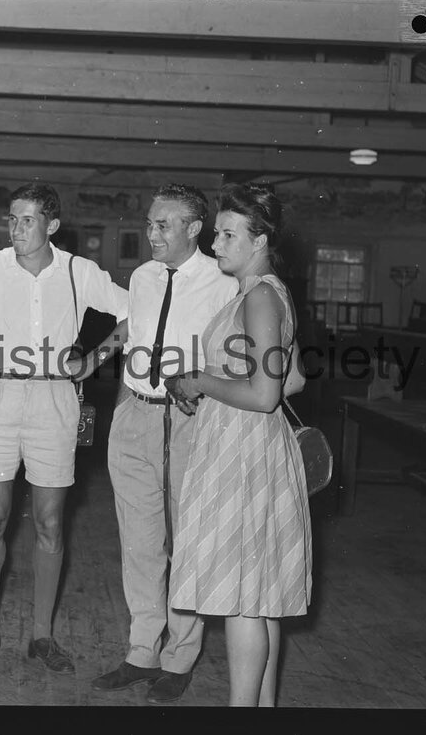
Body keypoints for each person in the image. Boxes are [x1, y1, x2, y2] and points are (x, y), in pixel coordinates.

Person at [0, 183, 128, 675]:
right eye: (12, 219)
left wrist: (93, 361)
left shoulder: (79, 271)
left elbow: (135, 313)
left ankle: (42, 635)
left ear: (51, 225)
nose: (16, 229)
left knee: (50, 522)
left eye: (27, 220)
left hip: (55, 401)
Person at [165, 183, 312, 707]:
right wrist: (216, 380)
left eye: (228, 234)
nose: (216, 243)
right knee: (259, 598)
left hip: (242, 452)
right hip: (249, 447)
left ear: (260, 238)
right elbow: (293, 378)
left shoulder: (259, 296)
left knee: (242, 601)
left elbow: (266, 393)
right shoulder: (266, 293)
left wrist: (203, 382)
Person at [91, 184, 238, 704]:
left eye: (162, 225)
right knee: (140, 540)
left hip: (189, 420)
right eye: (149, 223)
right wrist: (95, 357)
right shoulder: (143, 276)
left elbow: (238, 355)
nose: (150, 233)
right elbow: (136, 326)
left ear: (194, 229)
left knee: (187, 542)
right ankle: (141, 652)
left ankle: (180, 658)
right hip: (134, 413)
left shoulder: (223, 283)